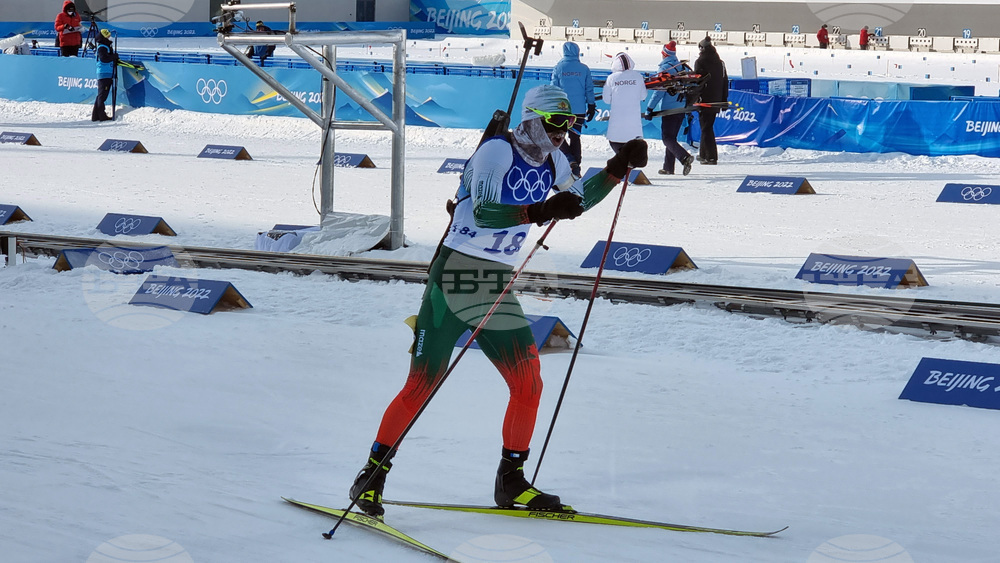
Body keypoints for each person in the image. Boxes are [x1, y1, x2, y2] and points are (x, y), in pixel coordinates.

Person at [348, 84, 648, 518]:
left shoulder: (555, 160)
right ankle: (372, 475)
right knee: (422, 384)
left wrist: (617, 168)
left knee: (528, 381)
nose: (564, 131)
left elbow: (576, 199)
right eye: (556, 122)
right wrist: (543, 211)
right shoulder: (496, 152)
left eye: (570, 123)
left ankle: (511, 481)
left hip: (494, 281)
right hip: (456, 275)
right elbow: (488, 213)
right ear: (531, 120)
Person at [645, 41, 694, 176]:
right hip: (681, 107)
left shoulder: (665, 69)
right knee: (671, 137)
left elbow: (659, 91)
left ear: (664, 54)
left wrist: (650, 107)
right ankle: (668, 168)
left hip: (669, 108)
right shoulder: (681, 67)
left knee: (667, 138)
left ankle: (684, 157)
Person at [550, 41, 596, 179]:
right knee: (575, 137)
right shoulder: (584, 68)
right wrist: (591, 105)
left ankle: (570, 160)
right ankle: (577, 166)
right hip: (579, 110)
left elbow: (554, 88)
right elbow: (589, 89)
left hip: (562, 110)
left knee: (558, 135)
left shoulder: (559, 67)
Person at [603, 51, 647, 154]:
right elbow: (643, 96)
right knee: (632, 153)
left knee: (619, 152)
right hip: (634, 126)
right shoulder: (638, 76)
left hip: (616, 126)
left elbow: (606, 99)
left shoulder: (611, 78)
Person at [693, 36, 727, 165]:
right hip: (717, 100)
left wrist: (694, 98)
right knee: (707, 126)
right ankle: (704, 155)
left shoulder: (700, 61)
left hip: (704, 100)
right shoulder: (720, 62)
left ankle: (711, 156)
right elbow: (724, 81)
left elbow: (698, 82)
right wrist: (724, 99)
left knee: (706, 127)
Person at [92, 28, 118, 122]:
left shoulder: (104, 46)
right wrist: (113, 57)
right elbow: (104, 58)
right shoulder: (102, 47)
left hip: (106, 72)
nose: (109, 38)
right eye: (107, 36)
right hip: (104, 73)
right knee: (102, 96)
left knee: (101, 95)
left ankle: (96, 116)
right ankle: (101, 115)